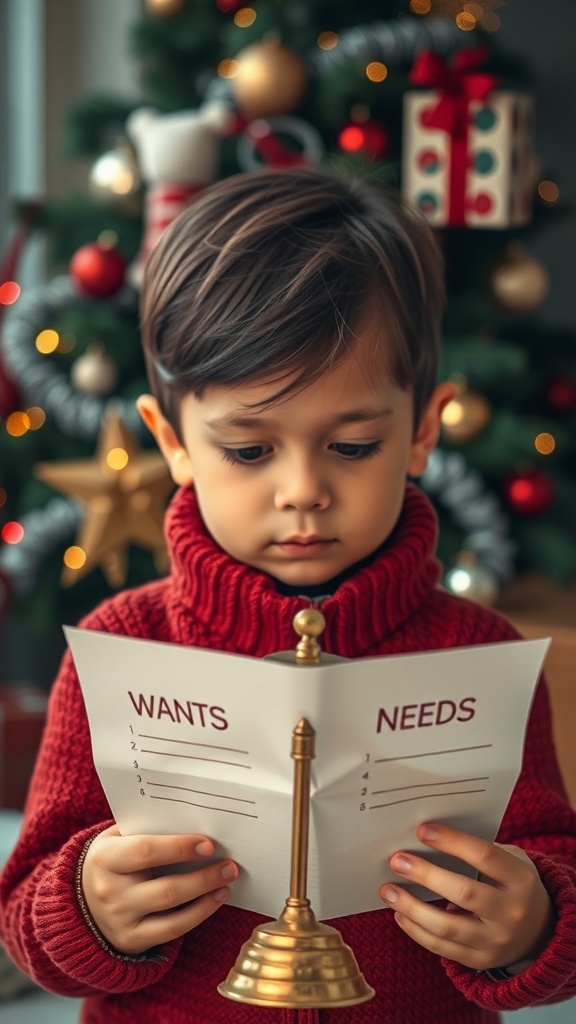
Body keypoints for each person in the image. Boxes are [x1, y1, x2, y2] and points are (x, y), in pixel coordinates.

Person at [1, 167, 575, 1024]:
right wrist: (89, 903)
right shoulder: (126, 644)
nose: (303, 490)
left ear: (421, 430)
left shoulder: (481, 657)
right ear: (174, 442)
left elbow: (549, 865)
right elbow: (26, 926)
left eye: (351, 446)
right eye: (247, 450)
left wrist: (536, 925)